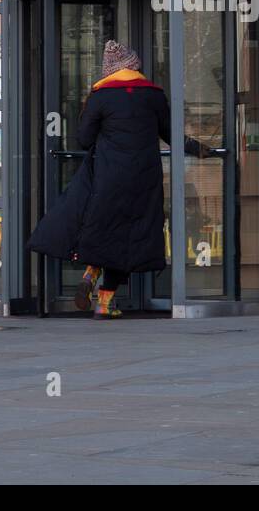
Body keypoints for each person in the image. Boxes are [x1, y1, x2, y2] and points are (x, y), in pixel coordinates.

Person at [27, 40, 200, 319]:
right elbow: (171, 134)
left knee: (104, 228)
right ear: (134, 65)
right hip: (144, 177)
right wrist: (197, 148)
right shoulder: (154, 95)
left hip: (109, 176)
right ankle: (105, 304)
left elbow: (84, 139)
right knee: (131, 238)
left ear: (109, 70)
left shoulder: (100, 96)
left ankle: (90, 274)